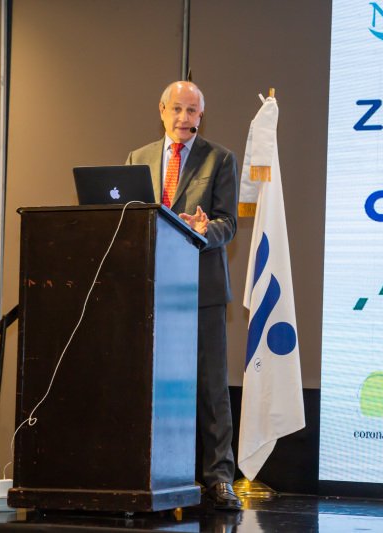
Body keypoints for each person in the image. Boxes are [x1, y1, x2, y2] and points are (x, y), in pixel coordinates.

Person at [125, 81, 241, 511]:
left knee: (211, 388)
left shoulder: (220, 158)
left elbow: (228, 223)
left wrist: (205, 229)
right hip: (150, 288)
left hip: (201, 288)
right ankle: (152, 474)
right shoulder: (137, 158)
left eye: (192, 111)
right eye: (177, 108)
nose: (184, 117)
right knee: (149, 386)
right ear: (161, 110)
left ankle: (218, 479)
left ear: (200, 116)